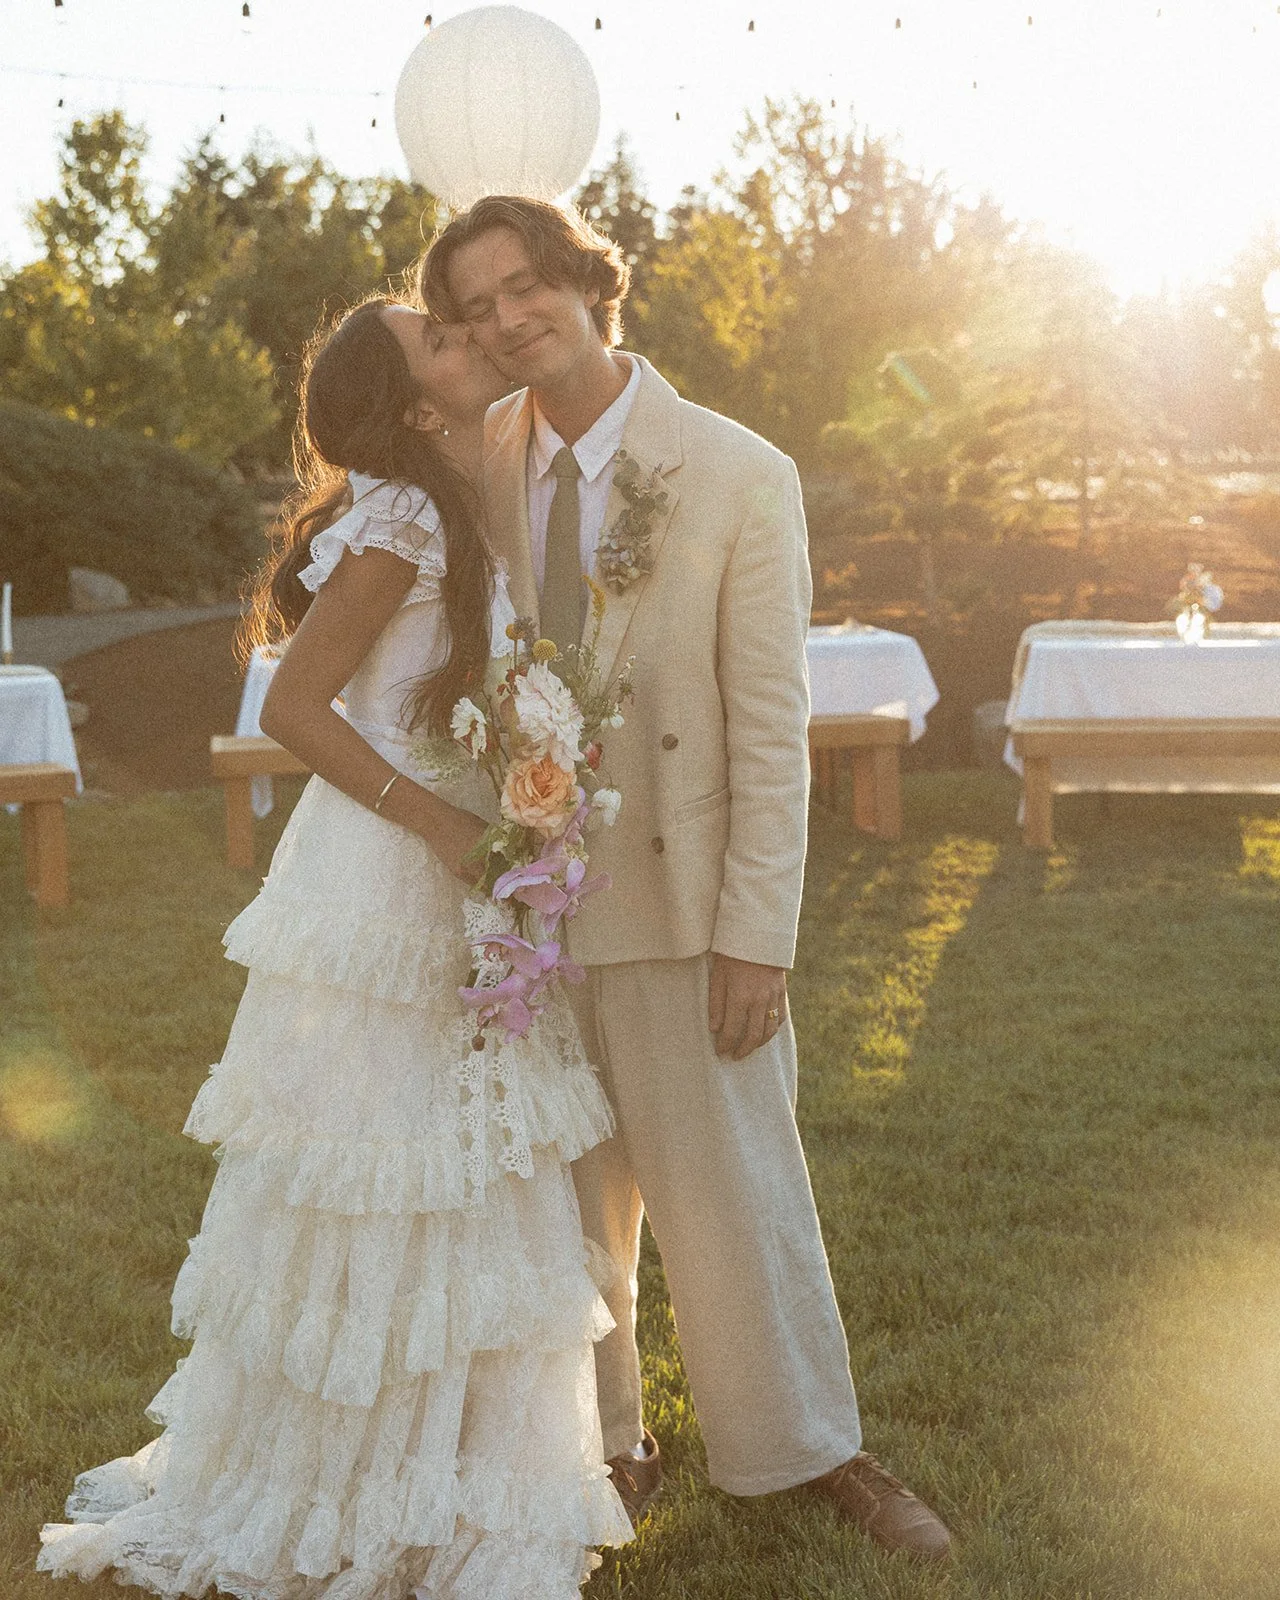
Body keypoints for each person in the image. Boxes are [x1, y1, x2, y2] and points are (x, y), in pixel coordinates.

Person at [36, 295, 633, 1600]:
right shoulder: (406, 522)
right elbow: (299, 708)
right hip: (386, 863)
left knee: (470, 1163)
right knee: (381, 1155)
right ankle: (341, 1476)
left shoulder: (481, 498)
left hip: (469, 850)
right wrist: (437, 824)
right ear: (416, 405)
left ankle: (466, 1464)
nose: (470, 339)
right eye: (442, 340)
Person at [419, 197, 952, 1560]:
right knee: (561, 1209)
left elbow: (770, 725)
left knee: (735, 1202)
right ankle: (605, 1447)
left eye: (525, 285)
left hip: (686, 896)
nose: (506, 320)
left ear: (587, 282)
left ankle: (811, 1447)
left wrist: (756, 934)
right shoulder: (474, 461)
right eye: (475, 306)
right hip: (533, 909)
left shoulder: (732, 469)